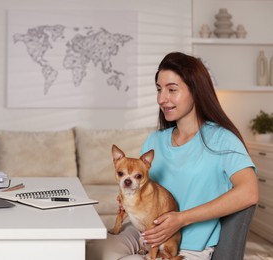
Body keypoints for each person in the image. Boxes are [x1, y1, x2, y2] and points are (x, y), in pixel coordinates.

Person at [103, 52, 259, 260]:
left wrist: (181, 219)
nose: (161, 99)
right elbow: (146, 190)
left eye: (172, 90)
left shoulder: (222, 139)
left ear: (195, 91)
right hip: (145, 234)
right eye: (159, 90)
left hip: (189, 247)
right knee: (92, 250)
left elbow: (249, 192)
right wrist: (130, 199)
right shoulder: (155, 141)